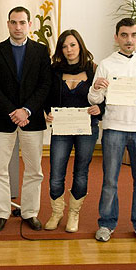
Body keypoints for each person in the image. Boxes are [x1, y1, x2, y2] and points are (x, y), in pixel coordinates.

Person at [88, 18, 136, 244]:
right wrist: (96, 88)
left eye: (133, 35)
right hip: (114, 128)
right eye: (124, 35)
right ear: (116, 38)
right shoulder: (106, 64)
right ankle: (106, 223)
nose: (129, 40)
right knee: (110, 180)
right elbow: (94, 99)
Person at [0, 6, 51, 232]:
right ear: (8, 24)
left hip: (32, 120)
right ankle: (1, 212)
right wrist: (14, 112)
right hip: (3, 119)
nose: (18, 27)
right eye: (13, 22)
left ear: (29, 25)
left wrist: (27, 110)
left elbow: (45, 85)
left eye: (22, 22)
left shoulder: (41, 51)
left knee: (34, 170)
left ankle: (30, 212)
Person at [44, 30, 104, 233]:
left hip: (86, 128)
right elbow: (47, 96)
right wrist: (47, 113)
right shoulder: (54, 70)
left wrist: (99, 109)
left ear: (80, 45)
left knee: (80, 172)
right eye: (64, 46)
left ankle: (73, 214)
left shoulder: (94, 69)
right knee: (56, 173)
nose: (69, 50)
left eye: (72, 45)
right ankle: (56, 212)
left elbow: (105, 96)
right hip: (61, 128)